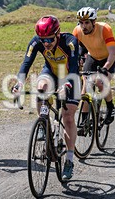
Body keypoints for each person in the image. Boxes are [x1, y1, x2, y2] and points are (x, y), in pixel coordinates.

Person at [12, 15, 80, 181]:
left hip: (70, 76)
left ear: (57, 34)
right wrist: (19, 83)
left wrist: (67, 85)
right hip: (50, 72)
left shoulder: (70, 42)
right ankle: (43, 122)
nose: (46, 43)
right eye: (43, 40)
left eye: (50, 39)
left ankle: (69, 160)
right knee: (41, 88)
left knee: (68, 117)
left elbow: (73, 66)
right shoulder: (36, 42)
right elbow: (26, 63)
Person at [72, 6, 115, 125]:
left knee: (100, 82)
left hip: (109, 58)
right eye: (81, 23)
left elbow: (113, 53)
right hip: (92, 57)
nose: (83, 26)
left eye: (87, 23)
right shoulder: (77, 31)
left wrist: (105, 68)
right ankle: (84, 121)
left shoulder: (105, 29)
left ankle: (110, 107)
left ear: (93, 22)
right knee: (85, 89)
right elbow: (72, 52)